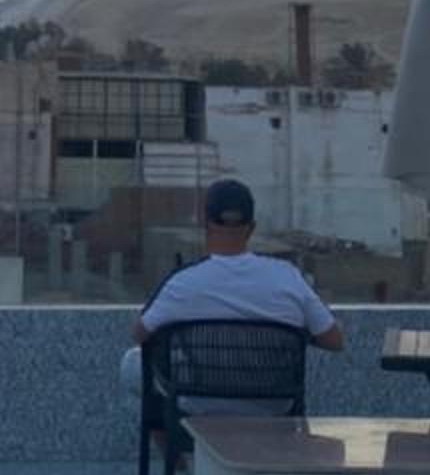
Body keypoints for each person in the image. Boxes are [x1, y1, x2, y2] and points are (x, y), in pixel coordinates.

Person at [119, 177, 344, 446]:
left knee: (132, 363)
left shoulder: (183, 283)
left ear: (205, 223)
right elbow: (335, 340)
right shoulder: (288, 277)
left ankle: (181, 468)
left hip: (197, 404)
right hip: (273, 406)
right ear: (252, 227)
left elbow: (139, 334)